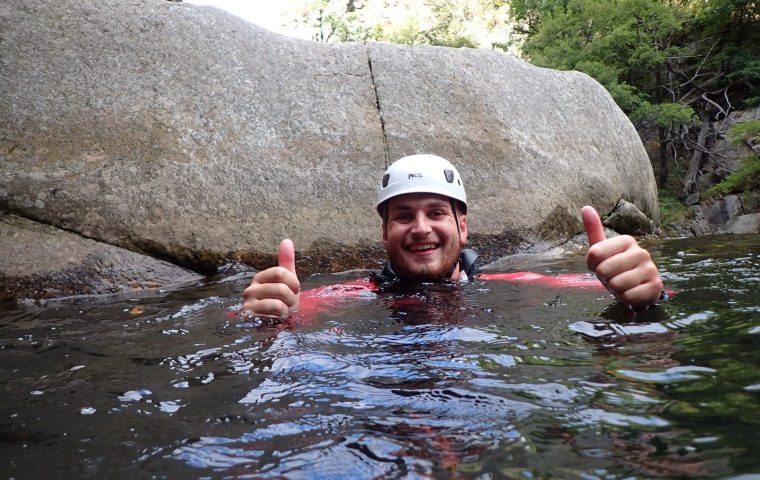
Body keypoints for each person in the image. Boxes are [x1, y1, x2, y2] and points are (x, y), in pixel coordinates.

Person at [243, 154, 664, 318]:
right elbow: (288, 311)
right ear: (385, 232)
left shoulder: (513, 285)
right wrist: (263, 315)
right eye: (404, 216)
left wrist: (646, 290)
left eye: (437, 213)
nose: (422, 227)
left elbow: (601, 288)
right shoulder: (352, 294)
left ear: (463, 226)